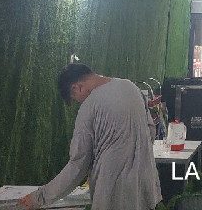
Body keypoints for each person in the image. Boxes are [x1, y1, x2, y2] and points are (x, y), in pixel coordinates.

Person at [19, 63, 161, 210]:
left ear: (76, 88)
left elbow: (78, 165)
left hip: (114, 196)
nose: (79, 101)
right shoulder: (131, 87)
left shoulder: (89, 106)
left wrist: (39, 197)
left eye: (75, 98)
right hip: (146, 189)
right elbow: (151, 131)